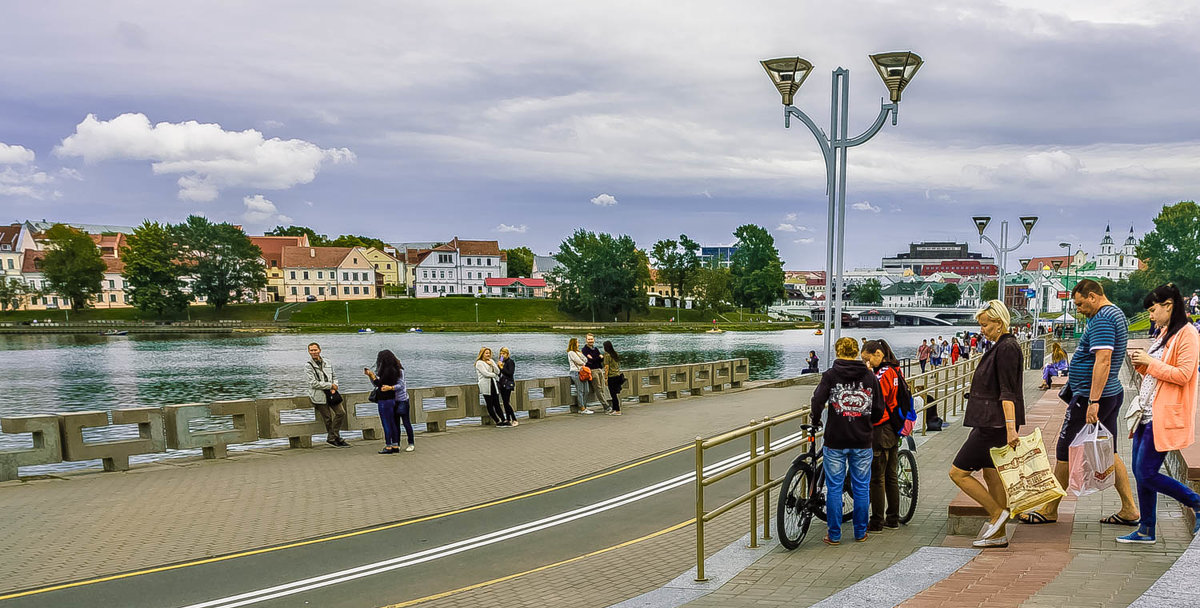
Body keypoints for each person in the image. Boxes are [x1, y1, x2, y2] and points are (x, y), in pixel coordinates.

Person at [1020, 279, 1138, 525]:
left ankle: (1050, 509)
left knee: (1064, 450)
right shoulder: (1114, 313)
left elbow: (1103, 360)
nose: (1079, 310)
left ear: (1093, 296)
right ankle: (1129, 509)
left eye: (1081, 304)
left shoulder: (1103, 318)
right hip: (1107, 394)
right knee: (1109, 451)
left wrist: (1093, 400)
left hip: (1091, 398)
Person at [1119, 284, 1200, 543]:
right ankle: (1146, 529)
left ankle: (1196, 502)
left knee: (1146, 473)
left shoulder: (1187, 334)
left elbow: (1183, 375)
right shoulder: (1165, 333)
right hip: (1145, 412)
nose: (1151, 316)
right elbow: (1158, 371)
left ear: (1169, 305)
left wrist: (1150, 362)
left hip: (1162, 415)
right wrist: (1143, 366)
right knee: (1140, 472)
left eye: (1153, 310)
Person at [949, 300, 1025, 548]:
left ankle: (996, 513)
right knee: (991, 474)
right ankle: (999, 533)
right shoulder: (1003, 346)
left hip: (993, 425)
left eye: (984, 325)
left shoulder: (1006, 349)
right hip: (991, 422)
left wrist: (1011, 429)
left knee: (958, 473)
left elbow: (1007, 392)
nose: (981, 329)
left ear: (998, 322)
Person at [811, 337, 883, 544]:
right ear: (856, 353)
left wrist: (815, 420)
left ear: (837, 352)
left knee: (834, 487)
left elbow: (817, 400)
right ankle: (860, 532)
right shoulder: (870, 377)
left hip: (835, 439)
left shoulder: (831, 375)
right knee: (861, 486)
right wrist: (869, 422)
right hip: (862, 439)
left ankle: (834, 534)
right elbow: (879, 408)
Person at [862, 339, 905, 532]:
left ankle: (877, 521)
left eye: (867, 359)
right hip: (894, 426)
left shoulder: (882, 374)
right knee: (891, 476)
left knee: (877, 477)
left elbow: (875, 400)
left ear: (878, 354)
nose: (866, 363)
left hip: (881, 428)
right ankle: (893, 518)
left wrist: (868, 376)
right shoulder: (895, 369)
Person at [364, 349, 414, 453]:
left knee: (403, 422)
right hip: (392, 400)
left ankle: (404, 443)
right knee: (394, 423)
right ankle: (396, 444)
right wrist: (372, 377)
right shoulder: (388, 371)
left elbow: (400, 385)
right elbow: (378, 384)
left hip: (401, 399)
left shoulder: (398, 370)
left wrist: (390, 387)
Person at [306, 342, 349, 447]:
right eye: (311, 350)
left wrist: (335, 385)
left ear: (320, 350)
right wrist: (330, 386)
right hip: (319, 395)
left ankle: (332, 437)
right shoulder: (308, 366)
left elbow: (334, 376)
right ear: (308, 352)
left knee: (341, 413)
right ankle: (336, 438)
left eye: (315, 350)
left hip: (332, 393)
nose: (313, 352)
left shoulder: (327, 362)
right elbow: (313, 383)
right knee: (328, 418)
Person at [475, 347, 508, 427]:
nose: (488, 355)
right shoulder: (479, 363)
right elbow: (485, 374)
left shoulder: (491, 361)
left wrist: (492, 365)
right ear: (482, 354)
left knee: (497, 403)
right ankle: (497, 421)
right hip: (485, 385)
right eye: (486, 353)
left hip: (493, 383)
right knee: (489, 404)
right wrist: (493, 375)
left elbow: (498, 371)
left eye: (489, 353)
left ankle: (504, 419)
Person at [581, 333, 609, 411]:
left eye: (592, 339)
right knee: (598, 388)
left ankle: (606, 403)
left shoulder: (595, 349)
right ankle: (605, 405)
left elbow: (601, 359)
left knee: (603, 387)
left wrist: (596, 358)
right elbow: (591, 360)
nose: (590, 341)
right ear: (586, 340)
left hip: (600, 369)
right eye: (589, 339)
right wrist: (598, 357)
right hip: (592, 371)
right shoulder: (584, 350)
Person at [567, 338, 593, 414]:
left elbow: (585, 359)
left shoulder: (578, 352)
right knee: (580, 390)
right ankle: (582, 408)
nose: (578, 343)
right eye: (577, 342)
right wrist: (583, 362)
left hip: (582, 372)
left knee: (586, 390)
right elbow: (579, 361)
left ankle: (584, 406)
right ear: (574, 343)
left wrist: (582, 361)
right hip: (575, 372)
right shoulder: (571, 352)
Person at [497, 347, 519, 426]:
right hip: (502, 384)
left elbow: (510, 373)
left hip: (508, 384)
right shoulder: (502, 362)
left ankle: (514, 418)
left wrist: (502, 367)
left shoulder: (510, 362)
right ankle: (508, 419)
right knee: (505, 402)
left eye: (504, 354)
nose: (502, 355)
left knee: (506, 402)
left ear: (507, 354)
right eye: (501, 353)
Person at [603, 340, 624, 416]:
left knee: (613, 394)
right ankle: (615, 409)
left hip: (611, 376)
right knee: (615, 393)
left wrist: (605, 378)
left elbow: (606, 367)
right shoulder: (615, 354)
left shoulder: (607, 355)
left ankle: (617, 410)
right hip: (617, 375)